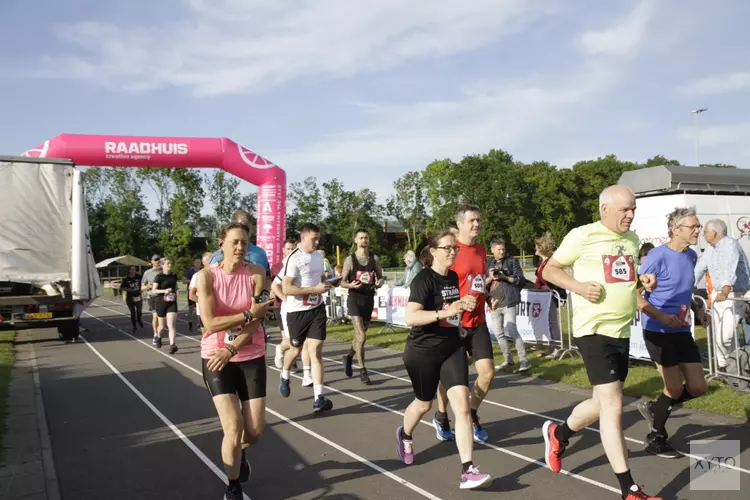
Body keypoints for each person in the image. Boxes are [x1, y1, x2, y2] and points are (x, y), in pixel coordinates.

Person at [540, 185, 663, 500]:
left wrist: (641, 280)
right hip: (592, 330)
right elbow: (550, 270)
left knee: (601, 403)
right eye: (624, 209)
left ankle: (560, 433)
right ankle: (629, 490)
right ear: (605, 209)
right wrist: (579, 287)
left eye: (633, 209)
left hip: (621, 332)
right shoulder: (582, 235)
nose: (630, 215)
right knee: (613, 405)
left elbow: (623, 275)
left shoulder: (632, 240)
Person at [396, 230, 492, 490]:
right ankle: (405, 434)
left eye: (454, 248)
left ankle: (467, 469)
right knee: (424, 404)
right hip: (422, 351)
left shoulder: (452, 276)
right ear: (433, 252)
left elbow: (450, 308)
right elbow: (411, 317)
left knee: (461, 406)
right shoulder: (423, 279)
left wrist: (461, 308)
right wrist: (446, 311)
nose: (453, 252)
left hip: (451, 347)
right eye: (447, 248)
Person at [197, 222, 273, 500]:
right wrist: (245, 315)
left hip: (249, 354)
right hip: (215, 358)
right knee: (232, 426)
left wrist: (232, 348)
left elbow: (259, 319)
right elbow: (210, 322)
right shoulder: (206, 277)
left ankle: (240, 452)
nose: (240, 247)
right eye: (235, 242)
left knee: (253, 432)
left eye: (244, 242)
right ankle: (233, 486)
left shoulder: (257, 274)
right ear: (222, 244)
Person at [636, 207, 708, 458]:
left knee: (698, 387)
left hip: (682, 329)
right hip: (658, 329)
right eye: (694, 227)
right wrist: (661, 315)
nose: (698, 230)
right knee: (675, 388)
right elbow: (634, 294)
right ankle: (656, 437)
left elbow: (685, 290)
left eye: (698, 226)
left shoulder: (690, 256)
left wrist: (698, 310)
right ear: (676, 230)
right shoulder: (656, 256)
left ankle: (656, 407)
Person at [433, 205, 495, 443]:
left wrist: (489, 296)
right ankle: (441, 416)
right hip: (454, 324)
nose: (477, 224)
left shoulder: (480, 249)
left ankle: (472, 414)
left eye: (478, 220)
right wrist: (454, 307)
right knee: (450, 378)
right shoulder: (450, 251)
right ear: (459, 224)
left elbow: (477, 280)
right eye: (472, 221)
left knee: (488, 374)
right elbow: (439, 287)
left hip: (478, 322)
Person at [278, 223, 334, 413]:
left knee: (316, 350)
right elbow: (286, 288)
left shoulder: (319, 257)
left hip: (317, 308)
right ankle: (285, 374)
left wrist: (330, 283)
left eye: (318, 238)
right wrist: (314, 289)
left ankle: (319, 397)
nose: (317, 242)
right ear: (303, 238)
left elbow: (321, 281)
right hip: (297, 312)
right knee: (295, 349)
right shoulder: (293, 259)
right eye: (314, 238)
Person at [694, 219, 750, 373]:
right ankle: (725, 367)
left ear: (714, 233)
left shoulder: (730, 245)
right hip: (718, 296)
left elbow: (729, 268)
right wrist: (689, 284)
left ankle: (730, 364)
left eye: (705, 231)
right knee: (718, 334)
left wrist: (725, 290)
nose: (702, 233)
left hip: (733, 295)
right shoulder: (711, 249)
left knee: (725, 337)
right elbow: (699, 268)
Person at [341, 228, 385, 385]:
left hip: (368, 300)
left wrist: (379, 283)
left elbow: (381, 277)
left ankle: (348, 356)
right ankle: (362, 369)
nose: (364, 240)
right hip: (354, 300)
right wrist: (350, 284)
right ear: (356, 241)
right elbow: (342, 281)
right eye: (361, 238)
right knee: (361, 336)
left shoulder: (374, 259)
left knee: (360, 337)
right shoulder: (350, 260)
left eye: (366, 238)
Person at [487, 237, 530, 372]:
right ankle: (508, 360)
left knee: (512, 330)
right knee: (499, 333)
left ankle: (524, 361)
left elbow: (521, 280)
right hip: (494, 303)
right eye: (498, 249)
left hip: (509, 301)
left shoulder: (512, 261)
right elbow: (483, 282)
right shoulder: (489, 263)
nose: (501, 252)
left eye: (503, 249)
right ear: (492, 250)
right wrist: (491, 277)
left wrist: (505, 277)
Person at [272, 238, 311, 384]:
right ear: (283, 250)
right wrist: (284, 299)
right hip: (286, 308)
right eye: (288, 249)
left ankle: (307, 375)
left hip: (304, 307)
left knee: (305, 343)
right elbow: (274, 286)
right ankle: (281, 350)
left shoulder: (301, 263)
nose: (291, 251)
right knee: (291, 342)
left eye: (293, 248)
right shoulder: (279, 267)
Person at [534, 232, 566, 357]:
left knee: (552, 321)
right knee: (546, 321)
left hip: (551, 296)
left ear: (542, 248)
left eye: (537, 247)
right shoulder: (541, 262)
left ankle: (557, 348)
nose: (535, 249)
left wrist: (549, 287)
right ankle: (551, 346)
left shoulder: (550, 262)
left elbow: (555, 279)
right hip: (542, 297)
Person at [151, 258, 180, 354]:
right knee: (162, 326)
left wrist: (177, 291)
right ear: (162, 265)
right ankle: (159, 337)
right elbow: (154, 290)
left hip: (172, 302)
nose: (169, 265)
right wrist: (164, 291)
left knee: (171, 325)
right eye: (167, 263)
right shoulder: (159, 277)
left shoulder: (174, 276)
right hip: (161, 302)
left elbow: (175, 287)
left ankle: (172, 345)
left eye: (170, 263)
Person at [141, 255, 163, 346]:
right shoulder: (147, 273)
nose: (158, 261)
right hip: (152, 297)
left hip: (163, 297)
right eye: (156, 260)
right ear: (152, 262)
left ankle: (160, 334)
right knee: (155, 316)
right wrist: (148, 286)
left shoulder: (164, 271)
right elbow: (142, 287)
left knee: (163, 319)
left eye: (159, 259)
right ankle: (155, 334)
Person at [188, 252, 212, 333]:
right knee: (206, 335)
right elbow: (191, 295)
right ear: (203, 262)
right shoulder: (197, 275)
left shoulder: (220, 274)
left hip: (218, 310)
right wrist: (207, 303)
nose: (213, 261)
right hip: (203, 310)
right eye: (209, 259)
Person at [121, 266, 144, 333]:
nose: (134, 271)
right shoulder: (126, 279)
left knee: (139, 311)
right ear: (129, 271)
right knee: (133, 313)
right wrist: (127, 289)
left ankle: (139, 319)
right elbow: (122, 287)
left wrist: (141, 290)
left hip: (138, 296)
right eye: (132, 269)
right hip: (130, 298)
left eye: (134, 269)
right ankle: (134, 326)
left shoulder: (139, 277)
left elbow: (143, 284)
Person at [183, 258, 202, 332]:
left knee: (200, 308)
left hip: (200, 292)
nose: (198, 264)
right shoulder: (190, 271)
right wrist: (193, 281)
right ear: (194, 263)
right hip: (192, 292)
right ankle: (190, 322)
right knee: (191, 308)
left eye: (199, 262)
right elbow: (184, 281)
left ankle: (199, 324)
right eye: (196, 262)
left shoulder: (202, 271)